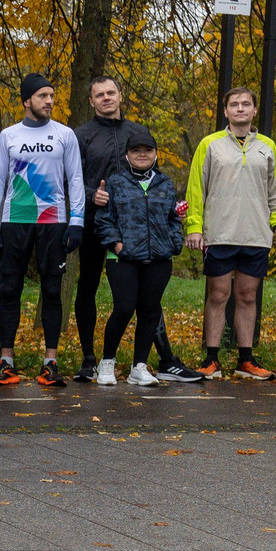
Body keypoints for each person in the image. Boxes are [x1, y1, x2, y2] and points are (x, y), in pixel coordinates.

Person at [0, 72, 87, 387]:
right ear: (27, 101)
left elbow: (76, 179)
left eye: (52, 96)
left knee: (52, 290)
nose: (50, 101)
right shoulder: (8, 136)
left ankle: (50, 362)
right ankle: (6, 361)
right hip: (15, 220)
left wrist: (77, 221)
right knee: (8, 289)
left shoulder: (65, 134)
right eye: (43, 96)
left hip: (53, 221)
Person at [184, 87, 276, 380]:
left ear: (255, 110)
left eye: (246, 104)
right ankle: (211, 359)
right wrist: (194, 227)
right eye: (234, 105)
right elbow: (196, 188)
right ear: (226, 111)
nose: (240, 108)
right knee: (218, 294)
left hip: (256, 234)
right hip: (219, 233)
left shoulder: (267, 146)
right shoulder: (210, 144)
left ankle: (245, 361)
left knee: (247, 295)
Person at [96, 124, 184, 386]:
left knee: (149, 311)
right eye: (137, 150)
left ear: (156, 154)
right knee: (123, 308)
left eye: (148, 150)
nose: (142, 154)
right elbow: (103, 220)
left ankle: (139, 367)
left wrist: (173, 244)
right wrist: (117, 245)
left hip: (158, 259)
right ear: (127, 155)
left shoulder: (166, 183)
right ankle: (107, 363)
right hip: (123, 259)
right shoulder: (115, 182)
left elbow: (174, 219)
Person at [69, 76, 131, 379]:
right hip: (94, 222)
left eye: (111, 93)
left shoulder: (138, 132)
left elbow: (154, 175)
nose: (106, 98)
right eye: (99, 95)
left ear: (120, 96)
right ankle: (88, 358)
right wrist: (94, 194)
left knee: (141, 290)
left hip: (132, 226)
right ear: (91, 102)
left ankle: (154, 358)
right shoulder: (80, 136)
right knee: (88, 286)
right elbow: (69, 179)